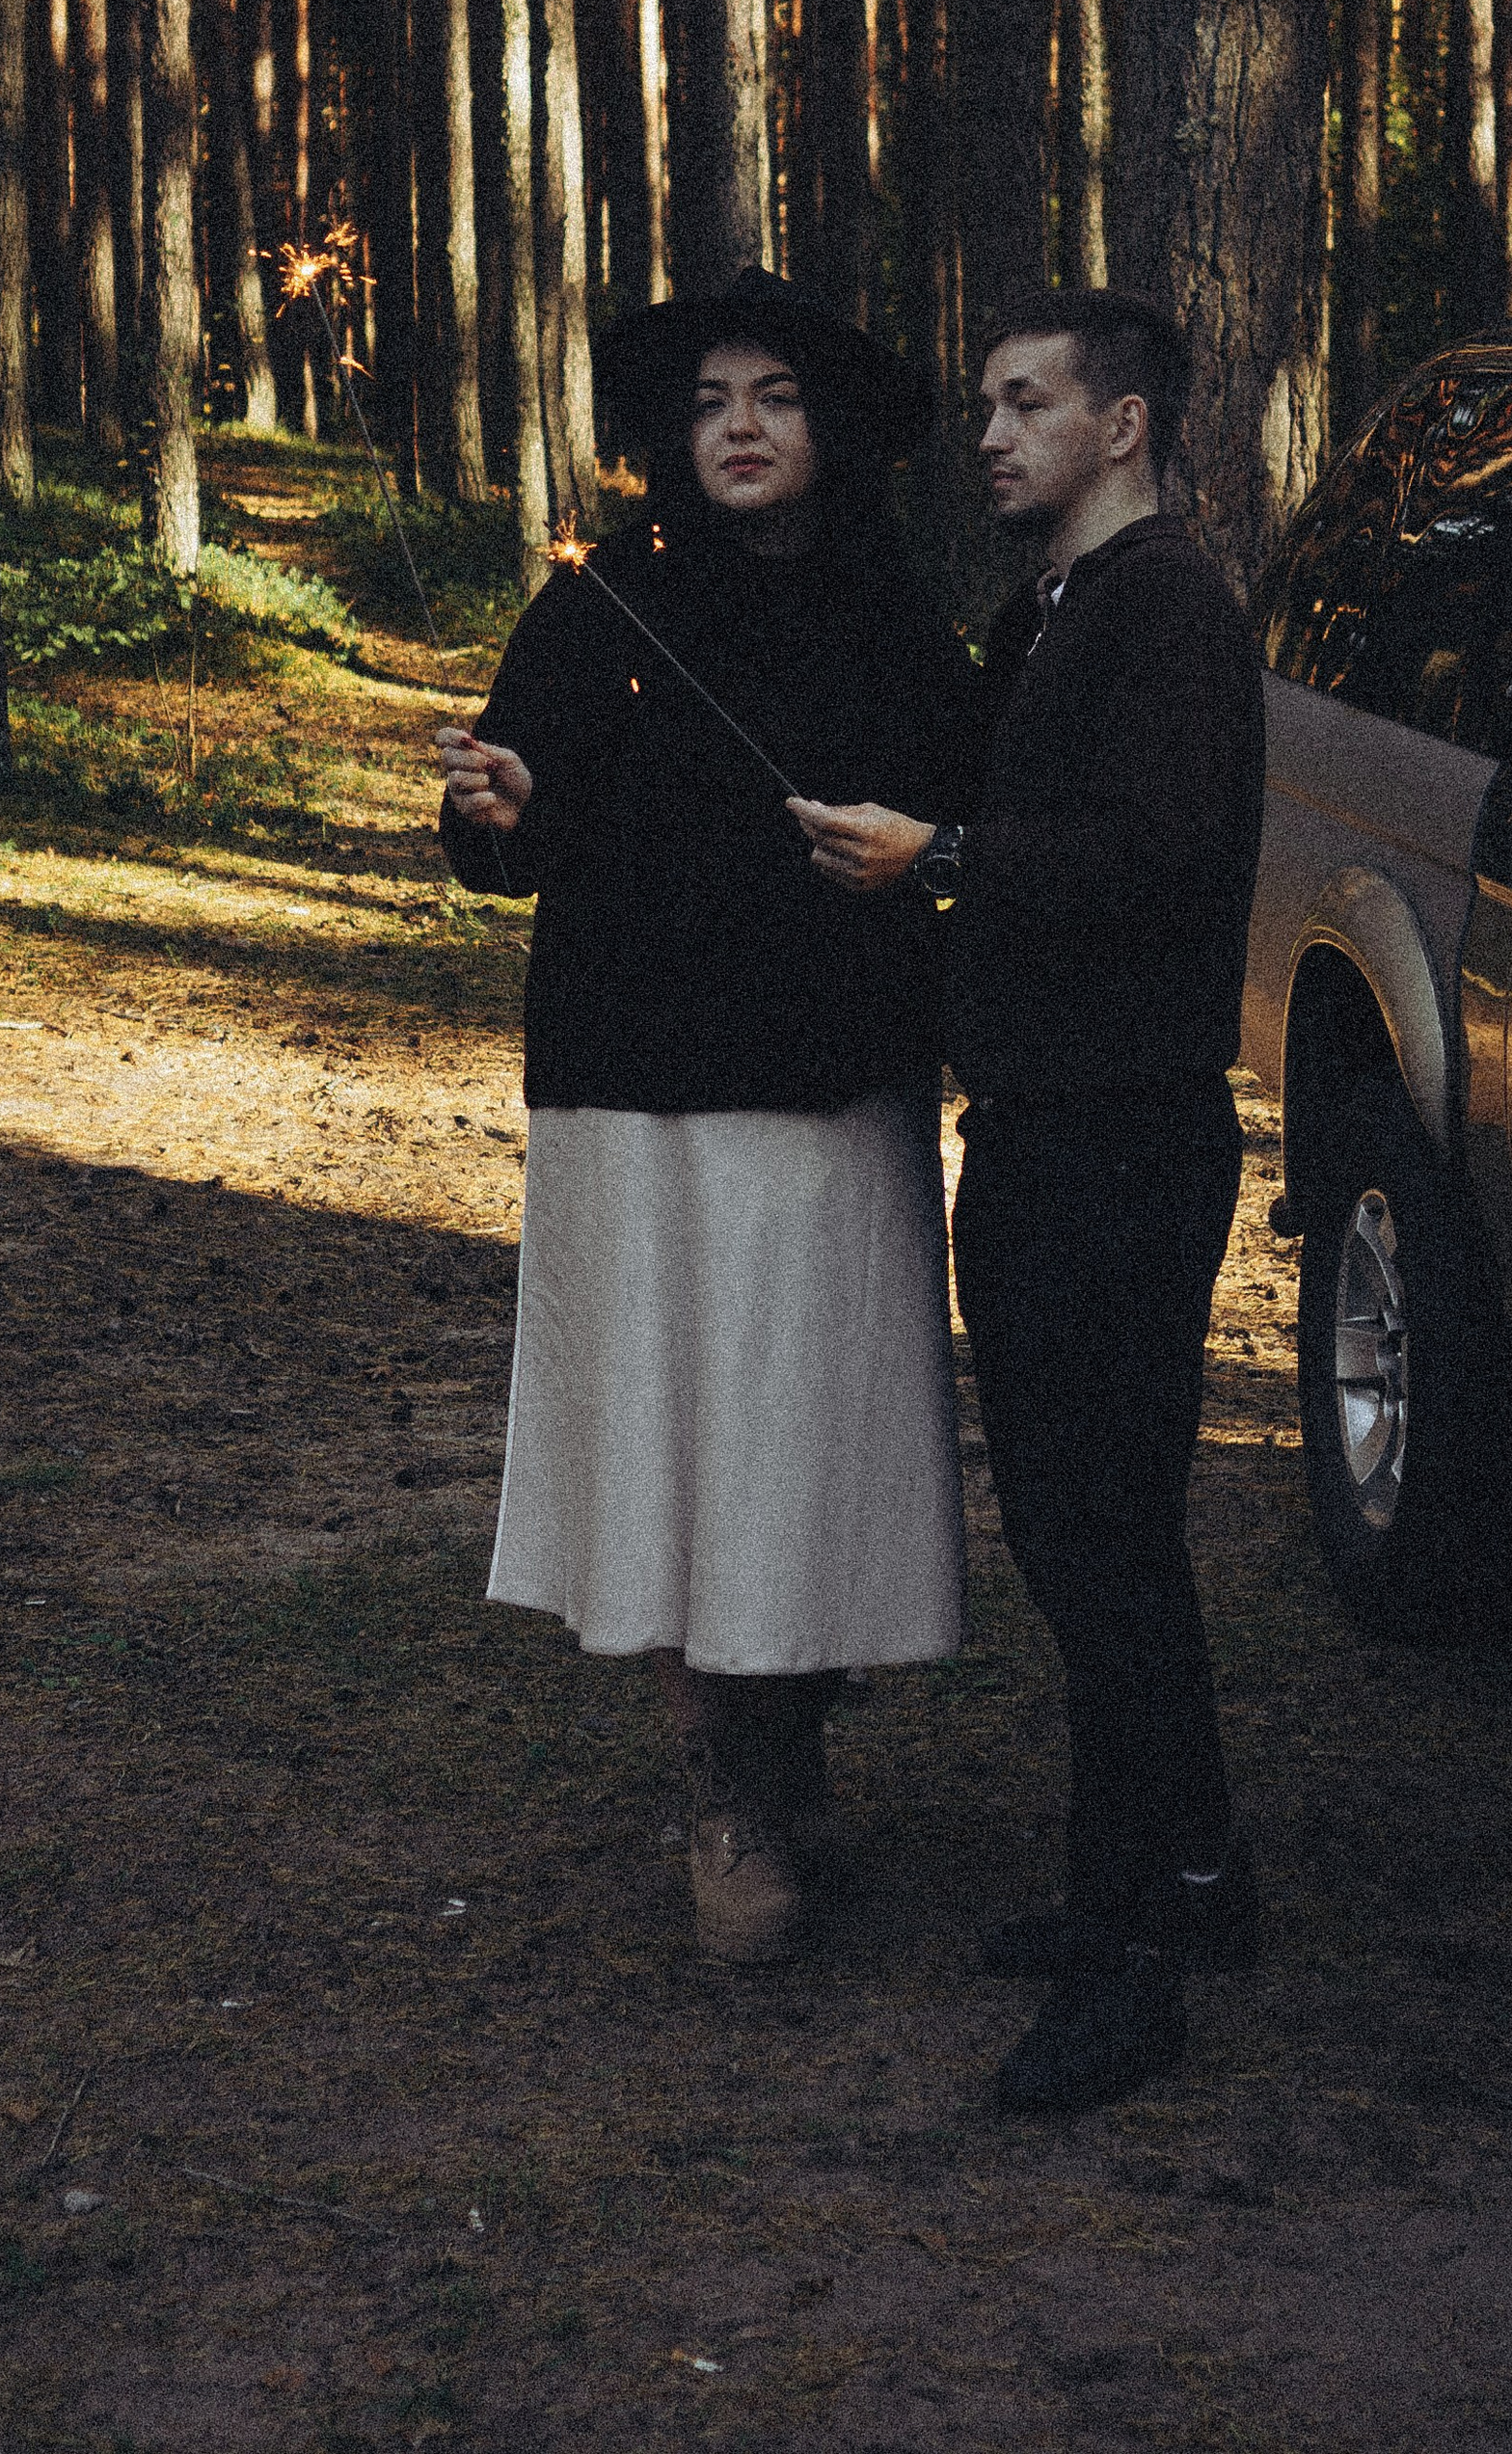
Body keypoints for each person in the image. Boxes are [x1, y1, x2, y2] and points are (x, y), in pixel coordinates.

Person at [438, 269, 983, 1961]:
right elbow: (512, 827)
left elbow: (965, 823)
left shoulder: (895, 609)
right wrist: (497, 807)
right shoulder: (598, 604)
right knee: (679, 1434)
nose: (739, 428)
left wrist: (919, 856)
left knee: (803, 1432)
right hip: (641, 1086)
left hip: (830, 1087)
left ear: (831, 427)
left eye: (775, 397)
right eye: (707, 404)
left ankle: (791, 1739)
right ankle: (726, 1784)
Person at [793, 290, 1266, 2110]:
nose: (988, 435)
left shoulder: (1171, 611)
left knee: (1103, 1547)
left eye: (1026, 403)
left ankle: (1135, 1968)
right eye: (985, 404)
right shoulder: (1052, 610)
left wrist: (949, 859)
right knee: (1091, 1540)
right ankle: (1189, 1878)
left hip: (1122, 1144)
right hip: (1044, 1133)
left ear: (1122, 424)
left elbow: (1157, 856)